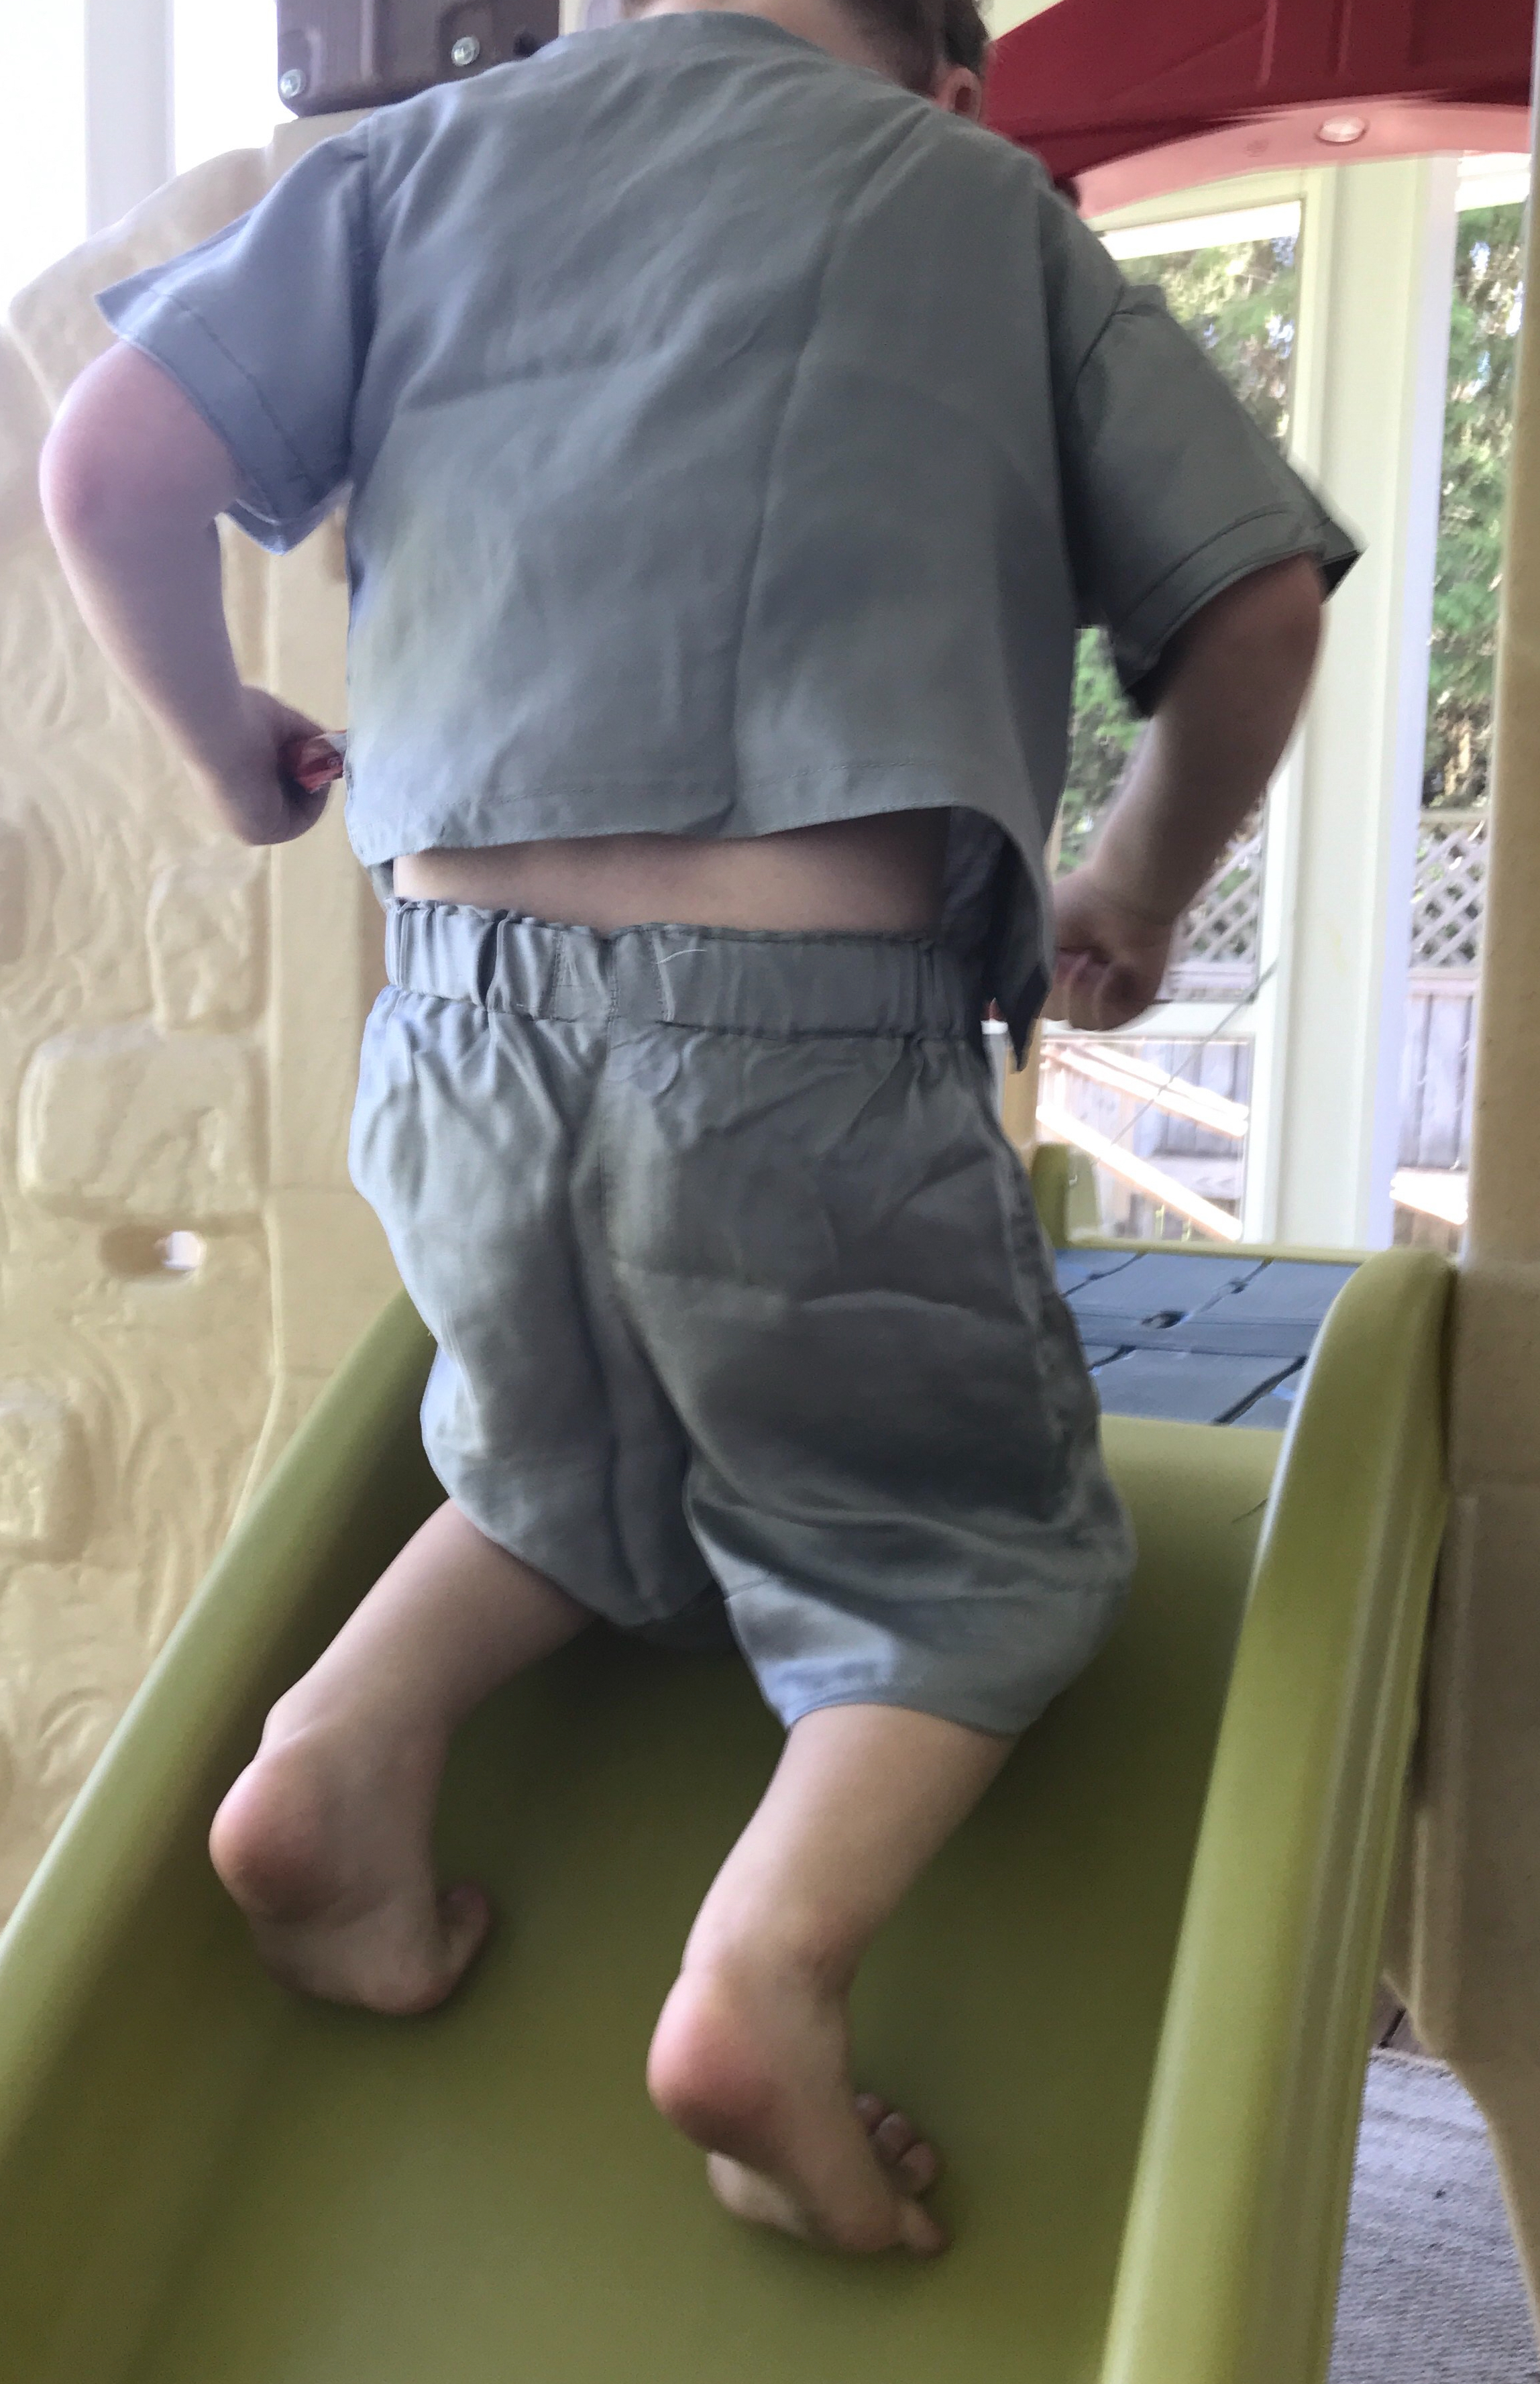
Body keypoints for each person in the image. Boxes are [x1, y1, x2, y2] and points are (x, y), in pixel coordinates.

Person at [38, 0, 1350, 2261]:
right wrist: (1130, 888)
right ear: (950, 80)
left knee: (550, 1457)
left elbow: (106, 459)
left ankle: (332, 1761)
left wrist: (229, 743)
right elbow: (1251, 605)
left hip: (450, 1038)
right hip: (804, 1056)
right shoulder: (977, 204)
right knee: (972, 1540)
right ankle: (763, 1971)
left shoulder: (415, 160)